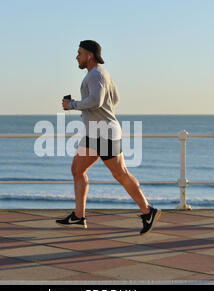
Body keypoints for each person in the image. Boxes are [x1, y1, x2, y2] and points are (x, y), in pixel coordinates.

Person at [57, 40, 162, 235]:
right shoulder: (100, 75)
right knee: (77, 170)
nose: (76, 57)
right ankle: (79, 217)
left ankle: (148, 211)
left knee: (120, 173)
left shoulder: (96, 74)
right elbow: (114, 99)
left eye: (79, 53)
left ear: (90, 55)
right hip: (94, 132)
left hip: (104, 132)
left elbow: (96, 101)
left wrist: (72, 105)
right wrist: (91, 113)